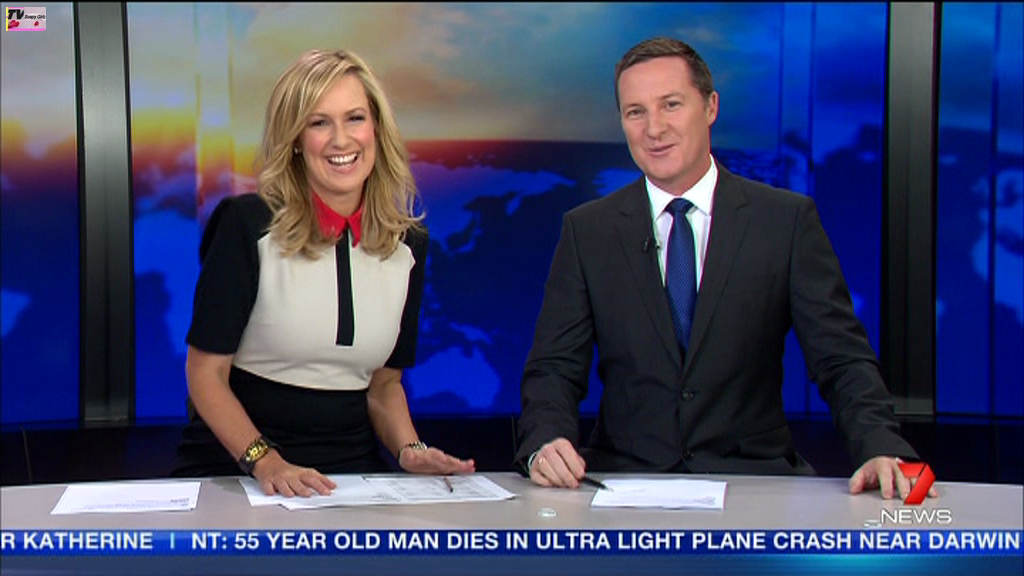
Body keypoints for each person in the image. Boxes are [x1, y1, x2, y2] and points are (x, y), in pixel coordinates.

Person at [516, 37, 935, 501]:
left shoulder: (784, 222)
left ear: (710, 106)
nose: (654, 128)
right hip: (624, 481)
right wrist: (544, 442)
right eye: (636, 112)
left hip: (754, 481)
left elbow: (841, 359)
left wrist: (880, 446)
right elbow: (554, 367)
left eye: (671, 105)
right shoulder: (588, 231)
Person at [172, 49, 474, 496]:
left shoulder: (408, 244)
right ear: (295, 139)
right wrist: (267, 464)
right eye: (319, 123)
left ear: (376, 128)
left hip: (350, 473)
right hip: (237, 467)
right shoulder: (247, 224)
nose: (340, 140)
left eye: (355, 118)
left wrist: (410, 449)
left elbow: (383, 386)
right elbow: (205, 375)